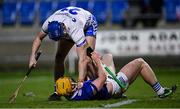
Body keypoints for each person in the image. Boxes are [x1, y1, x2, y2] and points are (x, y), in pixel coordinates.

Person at [28, 6, 98, 100]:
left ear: (63, 29)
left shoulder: (74, 30)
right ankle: (57, 91)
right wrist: (32, 56)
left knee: (88, 59)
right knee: (59, 57)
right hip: (70, 23)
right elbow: (38, 38)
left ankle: (96, 87)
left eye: (61, 37)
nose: (61, 40)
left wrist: (80, 81)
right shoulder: (48, 23)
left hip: (88, 24)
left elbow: (82, 59)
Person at [56, 51, 177, 100]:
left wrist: (94, 63)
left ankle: (100, 62)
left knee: (107, 56)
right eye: (72, 84)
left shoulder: (73, 95)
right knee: (140, 62)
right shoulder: (86, 91)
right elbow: (102, 78)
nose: (73, 83)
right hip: (115, 85)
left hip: (105, 83)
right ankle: (160, 91)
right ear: (70, 89)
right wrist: (98, 61)